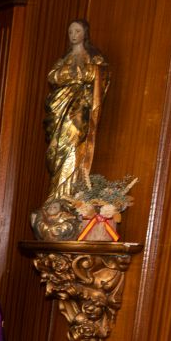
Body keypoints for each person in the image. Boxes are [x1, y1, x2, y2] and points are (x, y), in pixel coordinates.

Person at [43, 19, 109, 204]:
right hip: (60, 108)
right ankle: (56, 195)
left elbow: (99, 76)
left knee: (73, 144)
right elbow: (53, 76)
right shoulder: (64, 59)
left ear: (85, 33)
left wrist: (76, 76)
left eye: (77, 31)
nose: (73, 35)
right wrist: (73, 76)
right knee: (58, 148)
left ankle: (68, 195)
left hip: (79, 108)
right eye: (70, 31)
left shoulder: (93, 58)